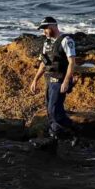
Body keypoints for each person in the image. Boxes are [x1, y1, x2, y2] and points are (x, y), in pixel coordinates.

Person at [29, 16, 80, 147]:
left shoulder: (66, 41)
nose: (44, 32)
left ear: (53, 26)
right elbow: (43, 64)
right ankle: (54, 136)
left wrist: (66, 81)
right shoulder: (46, 43)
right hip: (49, 80)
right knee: (49, 109)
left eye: (45, 28)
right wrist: (35, 80)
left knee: (54, 111)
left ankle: (73, 132)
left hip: (60, 81)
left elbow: (72, 63)